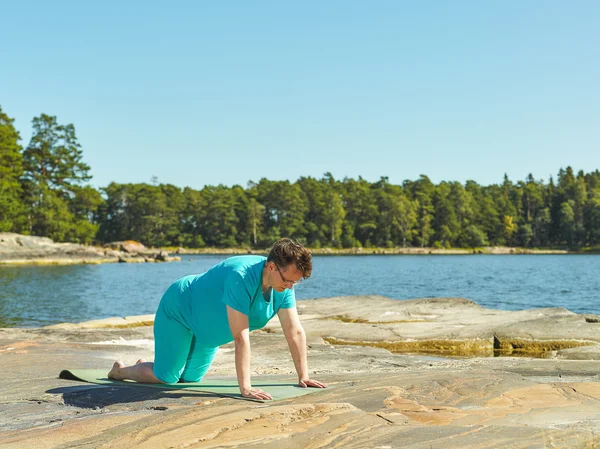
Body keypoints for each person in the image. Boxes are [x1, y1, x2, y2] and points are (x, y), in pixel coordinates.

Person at [108, 238, 327, 400]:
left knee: (190, 380)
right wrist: (246, 388)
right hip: (181, 310)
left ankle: (149, 367)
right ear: (272, 267)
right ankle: (122, 370)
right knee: (168, 378)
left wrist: (304, 376)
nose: (290, 287)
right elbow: (241, 338)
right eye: (289, 280)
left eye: (295, 283)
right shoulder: (240, 277)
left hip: (207, 333)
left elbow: (294, 331)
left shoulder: (283, 284)